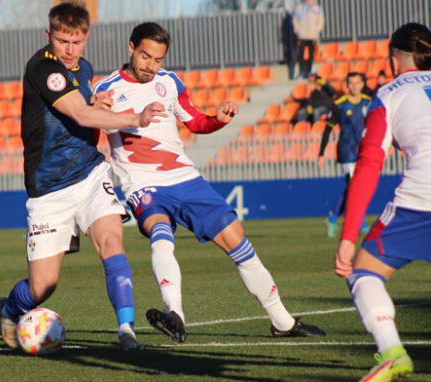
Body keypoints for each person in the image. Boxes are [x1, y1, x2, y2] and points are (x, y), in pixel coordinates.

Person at [93, 22, 326, 343]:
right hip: (143, 183)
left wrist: (217, 119)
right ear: (130, 48)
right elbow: (89, 132)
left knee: (238, 242)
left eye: (158, 60)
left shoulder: (170, 83)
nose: (151, 66)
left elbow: (195, 121)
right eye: (146, 56)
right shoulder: (105, 89)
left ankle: (282, 321)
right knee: (161, 235)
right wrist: (95, 111)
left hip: (186, 179)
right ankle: (175, 314)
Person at [0, 1, 166, 352]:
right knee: (43, 286)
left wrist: (97, 102)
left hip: (90, 173)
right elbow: (81, 117)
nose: (70, 50)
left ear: (86, 38)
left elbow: (85, 108)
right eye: (62, 41)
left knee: (112, 243)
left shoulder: (83, 68)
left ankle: (126, 332)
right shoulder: (43, 68)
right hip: (49, 190)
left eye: (77, 42)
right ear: (50, 35)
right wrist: (135, 118)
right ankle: (10, 310)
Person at [334, 22, 431, 382]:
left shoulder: (389, 93)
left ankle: (392, 353)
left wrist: (347, 237)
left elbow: (370, 164)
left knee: (363, 272)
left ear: (393, 59)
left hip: (421, 199)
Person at [319, 72, 372, 237]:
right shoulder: (339, 104)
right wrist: (321, 153)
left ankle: (332, 218)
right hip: (346, 152)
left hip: (362, 151)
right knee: (354, 187)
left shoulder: (368, 102)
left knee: (355, 188)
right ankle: (360, 225)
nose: (354, 86)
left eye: (357, 83)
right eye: (351, 83)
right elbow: (328, 128)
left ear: (362, 84)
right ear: (347, 85)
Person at [293, 0, 324, 79]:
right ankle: (301, 71)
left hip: (312, 35)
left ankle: (309, 71)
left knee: (311, 54)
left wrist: (316, 30)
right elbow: (295, 20)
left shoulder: (316, 9)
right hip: (302, 35)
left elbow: (320, 21)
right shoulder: (300, 8)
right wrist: (297, 30)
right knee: (301, 54)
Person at [281, 9, 299, 80]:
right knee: (291, 60)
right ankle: (292, 76)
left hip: (293, 46)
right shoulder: (288, 22)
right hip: (290, 47)